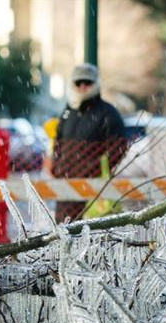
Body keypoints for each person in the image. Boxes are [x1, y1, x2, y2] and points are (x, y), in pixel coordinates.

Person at [51, 63, 128, 223]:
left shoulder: (108, 113)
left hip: (94, 188)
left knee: (92, 233)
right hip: (66, 185)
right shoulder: (67, 112)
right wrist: (57, 167)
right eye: (78, 83)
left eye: (88, 82)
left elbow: (118, 148)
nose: (83, 86)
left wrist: (95, 170)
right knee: (63, 231)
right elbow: (57, 143)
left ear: (96, 84)